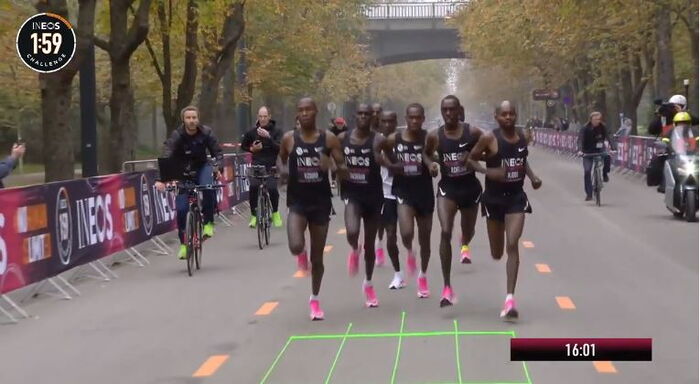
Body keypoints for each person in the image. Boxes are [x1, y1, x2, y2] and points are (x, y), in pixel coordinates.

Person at [468, 101, 542, 321]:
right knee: (497, 252)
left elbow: (522, 160)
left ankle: (510, 299)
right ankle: (508, 292)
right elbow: (470, 159)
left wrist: (533, 177)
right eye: (504, 114)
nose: (508, 117)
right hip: (493, 200)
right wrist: (489, 172)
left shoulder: (521, 136)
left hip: (516, 199)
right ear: (496, 116)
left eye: (512, 114)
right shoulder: (489, 138)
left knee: (512, 244)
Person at [278, 97, 347, 321]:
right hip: (297, 201)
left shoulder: (329, 139)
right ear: (297, 114)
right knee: (296, 246)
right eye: (301, 110)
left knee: (317, 260)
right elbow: (280, 160)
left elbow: (344, 170)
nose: (305, 113)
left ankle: (315, 299)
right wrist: (284, 171)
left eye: (308, 109)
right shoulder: (289, 139)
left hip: (320, 203)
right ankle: (302, 252)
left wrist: (333, 166)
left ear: (316, 112)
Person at [424, 95, 484, 307]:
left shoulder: (473, 132)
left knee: (468, 232)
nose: (448, 114)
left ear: (459, 110)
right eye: (444, 110)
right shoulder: (435, 136)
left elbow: (490, 151)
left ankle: (465, 241)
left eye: (452, 109)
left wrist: (473, 157)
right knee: (445, 231)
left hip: (470, 189)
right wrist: (432, 165)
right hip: (447, 188)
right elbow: (426, 154)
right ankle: (447, 287)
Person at [339, 104, 397, 307]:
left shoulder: (378, 140)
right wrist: (338, 169)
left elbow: (393, 158)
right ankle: (354, 248)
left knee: (370, 245)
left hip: (373, 195)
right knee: (352, 231)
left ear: (373, 117)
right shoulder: (342, 138)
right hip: (352, 193)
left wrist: (386, 163)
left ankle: (368, 284)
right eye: (360, 113)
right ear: (355, 116)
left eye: (367, 114)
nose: (363, 117)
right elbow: (332, 159)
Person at [155, 106, 224, 259]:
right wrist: (161, 179)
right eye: (188, 118)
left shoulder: (206, 132)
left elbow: (217, 153)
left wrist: (218, 168)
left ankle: (208, 223)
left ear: (198, 119)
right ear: (183, 120)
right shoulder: (177, 135)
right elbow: (166, 155)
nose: (191, 121)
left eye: (194, 118)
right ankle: (184, 245)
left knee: (207, 187)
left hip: (202, 167)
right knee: (181, 209)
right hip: (182, 171)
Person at [387, 103, 436, 298]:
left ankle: (423, 276)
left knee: (425, 239)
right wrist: (391, 165)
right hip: (403, 191)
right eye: (411, 117)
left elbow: (435, 156)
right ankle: (409, 249)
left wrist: (433, 165)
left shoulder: (429, 138)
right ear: (405, 119)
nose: (415, 121)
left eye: (418, 117)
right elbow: (380, 152)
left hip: (424, 193)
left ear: (423, 118)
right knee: (406, 232)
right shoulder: (394, 138)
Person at [241, 106, 284, 228]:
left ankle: (275, 213)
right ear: (257, 117)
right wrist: (252, 149)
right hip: (257, 164)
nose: (263, 119)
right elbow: (243, 146)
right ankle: (254, 215)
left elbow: (280, 147)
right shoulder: (251, 132)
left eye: (265, 116)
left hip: (272, 164)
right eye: (260, 116)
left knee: (272, 189)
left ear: (269, 117)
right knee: (254, 187)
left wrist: (268, 138)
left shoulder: (277, 131)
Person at [375, 110, 404, 289]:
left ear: (396, 122)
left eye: (391, 121)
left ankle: (411, 254)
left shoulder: (403, 139)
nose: (387, 124)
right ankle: (398, 274)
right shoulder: (375, 141)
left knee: (407, 236)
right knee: (391, 235)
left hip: (407, 192)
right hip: (386, 194)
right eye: (383, 121)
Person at [577, 112, 617, 201]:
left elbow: (610, 137)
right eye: (595, 119)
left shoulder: (603, 127)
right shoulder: (585, 128)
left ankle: (604, 173)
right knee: (587, 171)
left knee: (607, 157)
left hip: (600, 149)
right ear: (591, 119)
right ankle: (589, 194)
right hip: (587, 152)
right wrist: (580, 150)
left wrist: (613, 148)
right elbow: (580, 140)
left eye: (599, 119)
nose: (597, 121)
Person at [328, 117, 348, 189]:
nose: (339, 125)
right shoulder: (332, 130)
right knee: (334, 164)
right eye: (338, 124)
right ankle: (333, 181)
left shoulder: (346, 129)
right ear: (335, 124)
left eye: (341, 124)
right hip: (334, 147)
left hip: (343, 147)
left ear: (343, 124)